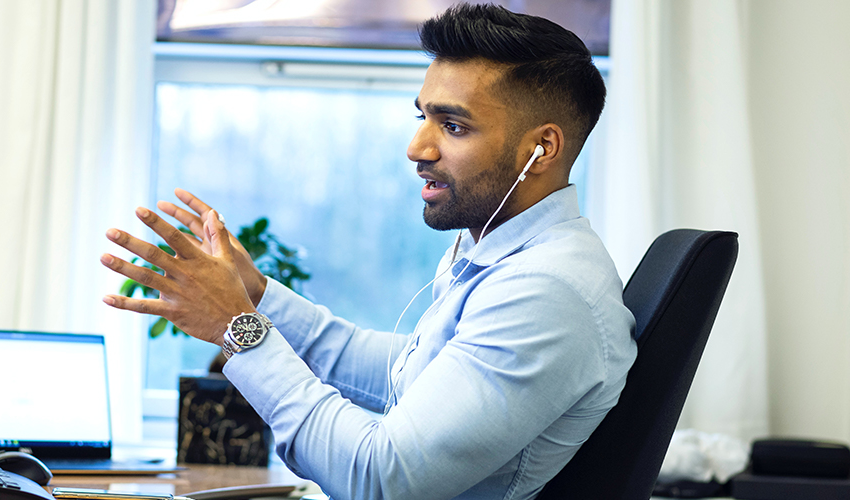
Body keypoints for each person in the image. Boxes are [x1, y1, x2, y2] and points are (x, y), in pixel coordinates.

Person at [100, 4, 636, 499]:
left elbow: (379, 479)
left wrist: (235, 327)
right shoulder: (502, 250)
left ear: (541, 149)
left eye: (452, 126)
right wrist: (257, 296)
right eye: (422, 117)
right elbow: (401, 376)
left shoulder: (546, 293)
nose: (418, 149)